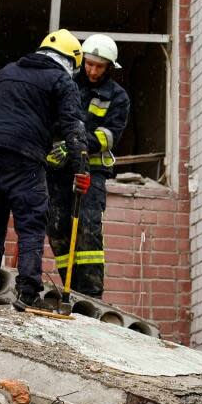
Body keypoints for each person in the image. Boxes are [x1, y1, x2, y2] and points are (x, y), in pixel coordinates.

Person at [0, 29, 88, 310]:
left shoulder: (9, 72)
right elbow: (74, 127)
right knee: (31, 222)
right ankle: (28, 293)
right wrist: (81, 166)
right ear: (71, 61)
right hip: (26, 157)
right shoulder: (61, 80)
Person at [46, 34, 130, 298]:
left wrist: (74, 146)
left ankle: (91, 294)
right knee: (57, 226)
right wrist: (50, 148)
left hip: (93, 171)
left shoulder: (117, 97)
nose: (93, 71)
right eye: (90, 64)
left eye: (99, 66)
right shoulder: (66, 83)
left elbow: (108, 136)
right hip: (59, 171)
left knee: (88, 227)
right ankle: (70, 287)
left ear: (109, 68)